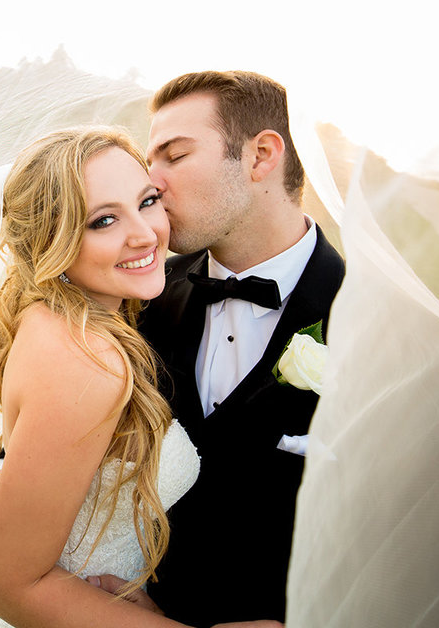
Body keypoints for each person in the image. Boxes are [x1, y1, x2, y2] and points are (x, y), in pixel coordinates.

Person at [0, 126, 280, 628]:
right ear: (53, 239)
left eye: (148, 201)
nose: (145, 233)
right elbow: (4, 584)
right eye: (104, 220)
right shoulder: (87, 360)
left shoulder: (54, 314)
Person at [137, 70, 346, 626]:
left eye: (173, 156)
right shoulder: (136, 292)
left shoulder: (376, 330)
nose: (149, 184)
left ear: (260, 157)